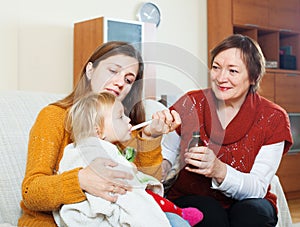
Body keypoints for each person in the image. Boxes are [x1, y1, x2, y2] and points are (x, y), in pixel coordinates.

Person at [19, 41, 182, 226]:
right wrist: (80, 180)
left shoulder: (123, 129)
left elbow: (145, 187)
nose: (120, 82)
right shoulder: (54, 117)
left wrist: (149, 138)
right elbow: (30, 192)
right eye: (113, 70)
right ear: (90, 70)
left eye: (128, 80)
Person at [159, 34, 293, 227]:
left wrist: (218, 170)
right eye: (216, 68)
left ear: (253, 77)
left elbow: (258, 187)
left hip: (250, 200)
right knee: (209, 213)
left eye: (233, 71)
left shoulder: (274, 117)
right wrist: (153, 142)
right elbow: (167, 156)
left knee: (254, 214)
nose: (221, 78)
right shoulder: (191, 103)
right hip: (191, 197)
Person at [53, 92, 203, 226]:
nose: (128, 120)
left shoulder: (105, 148)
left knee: (176, 220)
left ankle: (178, 212)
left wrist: (149, 137)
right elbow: (130, 197)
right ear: (97, 131)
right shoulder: (95, 149)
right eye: (120, 117)